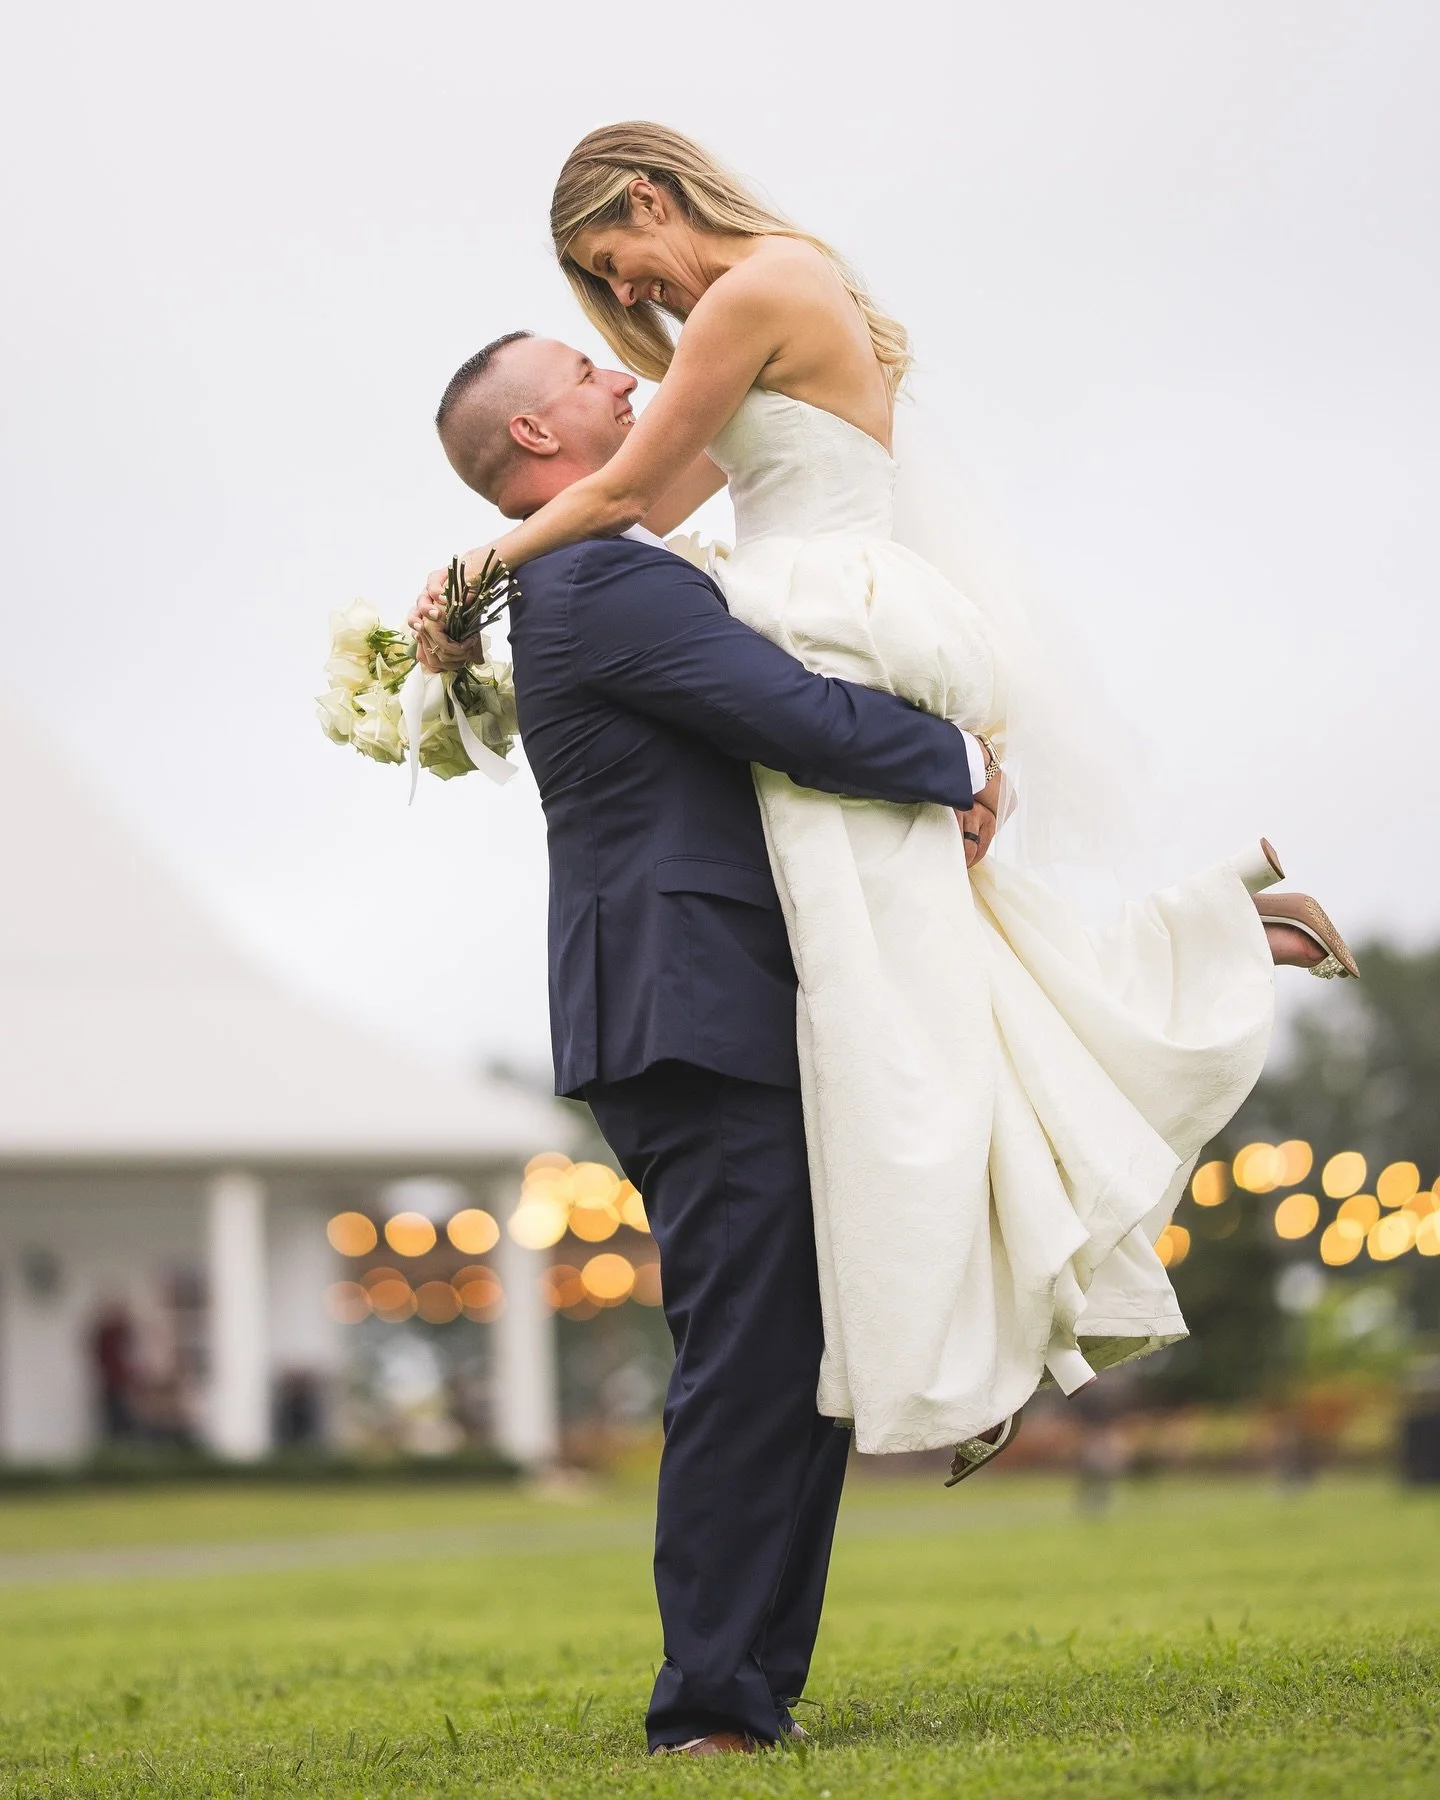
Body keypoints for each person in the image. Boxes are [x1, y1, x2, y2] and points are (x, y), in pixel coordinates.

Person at [412, 122, 1356, 1469]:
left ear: (647, 194)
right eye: (601, 295)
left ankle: (980, 1317)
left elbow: (620, 488)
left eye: (613, 264)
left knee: (888, 1010)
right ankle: (1214, 952)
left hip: (822, 622)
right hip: (806, 613)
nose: (625, 301)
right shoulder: (738, 321)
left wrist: (463, 581)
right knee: (911, 972)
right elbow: (644, 510)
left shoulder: (761, 290)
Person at [428, 329, 999, 1753]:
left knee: (785, 1340)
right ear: (537, 443)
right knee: (751, 1349)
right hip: (688, 1007)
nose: (629, 380)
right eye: (588, 373)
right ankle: (710, 1705)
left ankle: (750, 1685)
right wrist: (964, 762)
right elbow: (788, 717)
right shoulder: (598, 579)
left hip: (700, 999)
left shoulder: (585, 570)